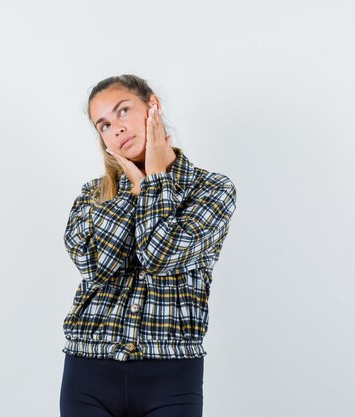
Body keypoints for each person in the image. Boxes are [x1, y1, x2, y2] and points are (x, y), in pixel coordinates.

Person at [59, 74, 237, 417]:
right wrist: (133, 192)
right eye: (105, 124)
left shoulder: (212, 189)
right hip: (88, 368)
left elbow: (161, 256)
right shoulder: (92, 195)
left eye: (123, 111)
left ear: (152, 105)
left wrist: (154, 182)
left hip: (172, 374)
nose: (117, 129)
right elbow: (96, 268)